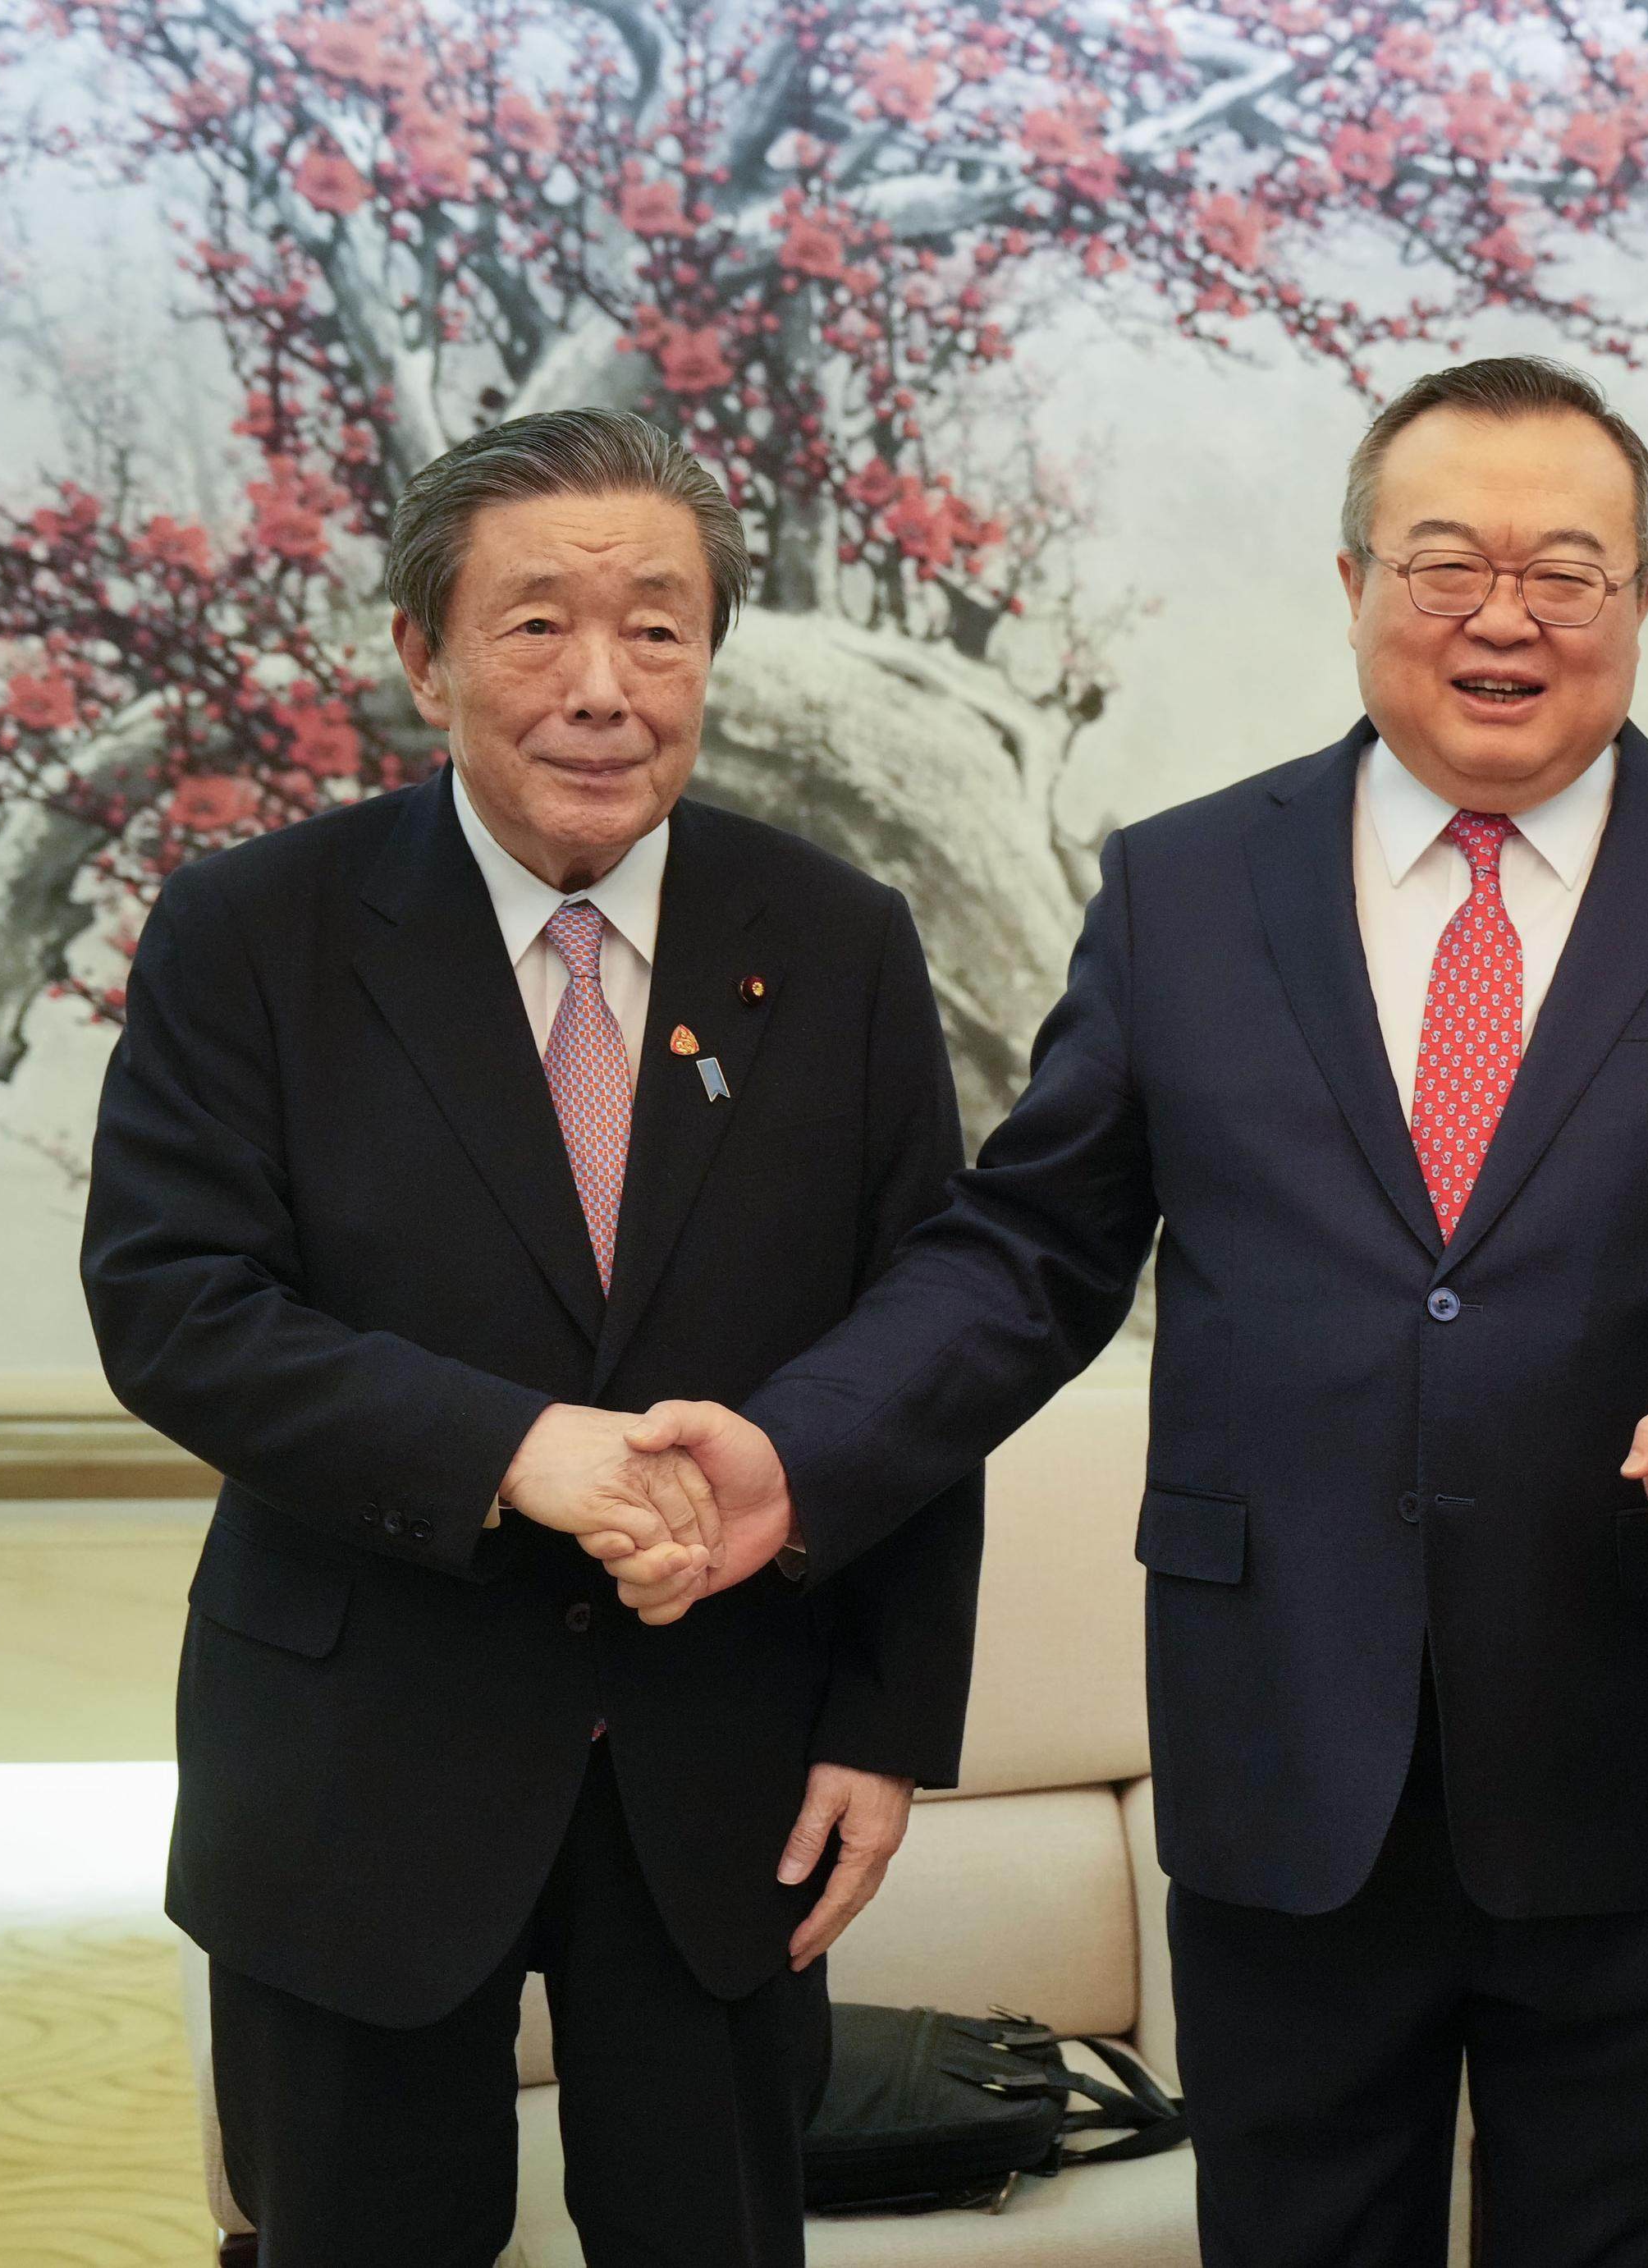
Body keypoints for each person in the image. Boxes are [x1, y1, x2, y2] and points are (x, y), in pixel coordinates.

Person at [613, 355, 1648, 2266]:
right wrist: (800, 1448)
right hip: (1281, 1745)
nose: (1502, 614)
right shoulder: (1186, 886)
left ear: (1642, 600)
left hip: (1628, 1726)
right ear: (1350, 580)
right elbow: (1029, 1246)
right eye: (1443, 560)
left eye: (1566, 570)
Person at [81, 407, 981, 2267]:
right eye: (535, 626)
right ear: (424, 657)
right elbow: (177, 1303)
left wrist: (888, 1719)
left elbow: (927, 1340)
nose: (604, 686)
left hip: (721, 1752)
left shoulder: (834, 939)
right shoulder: (252, 931)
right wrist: (515, 1448)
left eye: (658, 626)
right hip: (357, 1754)